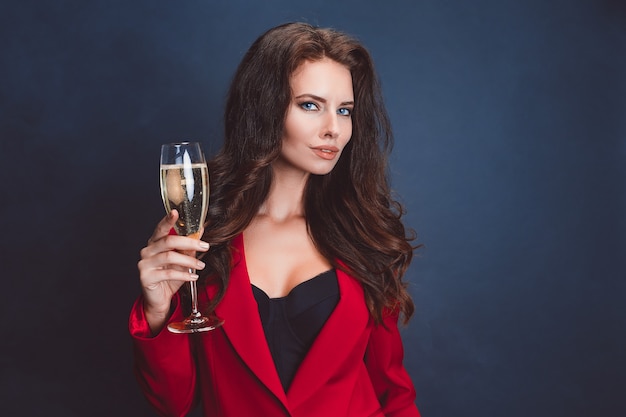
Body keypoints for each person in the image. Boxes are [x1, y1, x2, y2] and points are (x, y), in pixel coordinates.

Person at [130, 22, 421, 417]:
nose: (333, 129)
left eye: (345, 111)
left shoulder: (365, 236)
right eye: (310, 105)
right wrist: (157, 311)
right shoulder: (202, 236)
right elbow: (173, 402)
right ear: (265, 107)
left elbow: (395, 396)